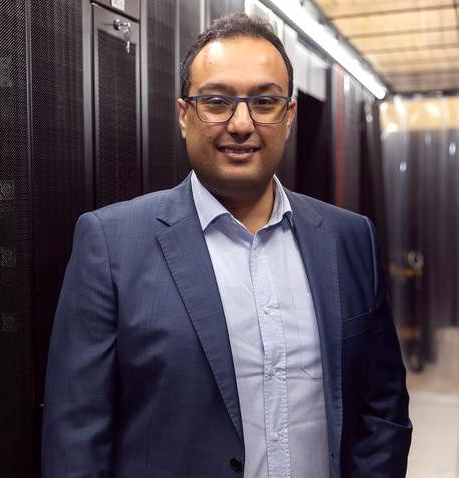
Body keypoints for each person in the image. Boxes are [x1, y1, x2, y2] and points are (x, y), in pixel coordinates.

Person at [41, 12, 411, 478]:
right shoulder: (112, 244)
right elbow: (76, 434)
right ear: (184, 115)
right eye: (216, 102)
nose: (241, 124)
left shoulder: (350, 238)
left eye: (265, 102)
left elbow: (383, 407)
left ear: (289, 116)